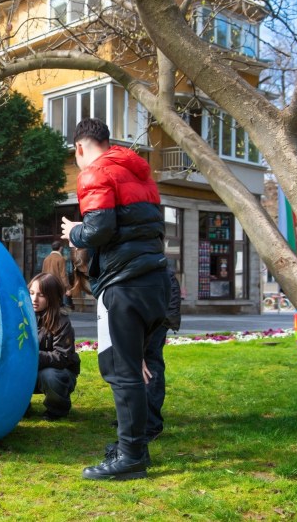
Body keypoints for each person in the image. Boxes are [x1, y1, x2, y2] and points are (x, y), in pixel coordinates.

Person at [61, 118, 169, 481]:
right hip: (155, 281)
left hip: (123, 286)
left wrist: (75, 232)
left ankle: (131, 457)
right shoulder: (140, 174)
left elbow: (99, 229)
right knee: (141, 367)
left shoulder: (94, 172)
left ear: (79, 147)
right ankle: (135, 446)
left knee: (120, 371)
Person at [28, 272, 80, 420]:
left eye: (41, 295)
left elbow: (63, 357)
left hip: (58, 373)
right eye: (31, 293)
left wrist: (31, 356)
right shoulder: (21, 316)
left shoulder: (61, 321)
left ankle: (57, 409)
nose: (34, 299)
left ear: (52, 297)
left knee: (50, 376)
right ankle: (20, 407)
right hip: (28, 371)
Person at [143, 268, 182, 443]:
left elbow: (170, 299)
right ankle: (136, 417)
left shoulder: (159, 268)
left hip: (156, 324)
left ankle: (151, 424)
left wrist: (165, 322)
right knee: (139, 369)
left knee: (151, 368)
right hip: (147, 322)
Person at [41, 240, 72, 307]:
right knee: (58, 306)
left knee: (49, 305)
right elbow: (63, 275)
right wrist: (68, 287)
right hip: (57, 286)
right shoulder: (61, 259)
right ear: (60, 248)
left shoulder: (46, 259)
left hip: (47, 285)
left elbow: (43, 273)